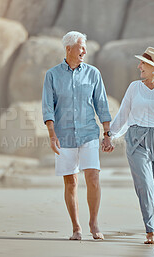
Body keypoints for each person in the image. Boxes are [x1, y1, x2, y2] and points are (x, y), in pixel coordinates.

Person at [42, 31, 114, 241]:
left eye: (85, 48)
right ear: (69, 49)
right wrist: (52, 135)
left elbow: (102, 105)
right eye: (81, 47)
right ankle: (76, 227)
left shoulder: (93, 74)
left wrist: (107, 134)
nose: (84, 51)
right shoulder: (52, 75)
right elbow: (47, 107)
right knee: (71, 182)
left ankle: (93, 222)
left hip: (89, 133)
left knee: (93, 178)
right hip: (64, 136)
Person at [110, 47, 154, 244]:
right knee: (145, 185)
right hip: (136, 139)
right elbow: (124, 113)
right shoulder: (134, 87)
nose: (139, 66)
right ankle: (150, 229)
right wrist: (110, 135)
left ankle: (153, 219)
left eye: (143, 63)